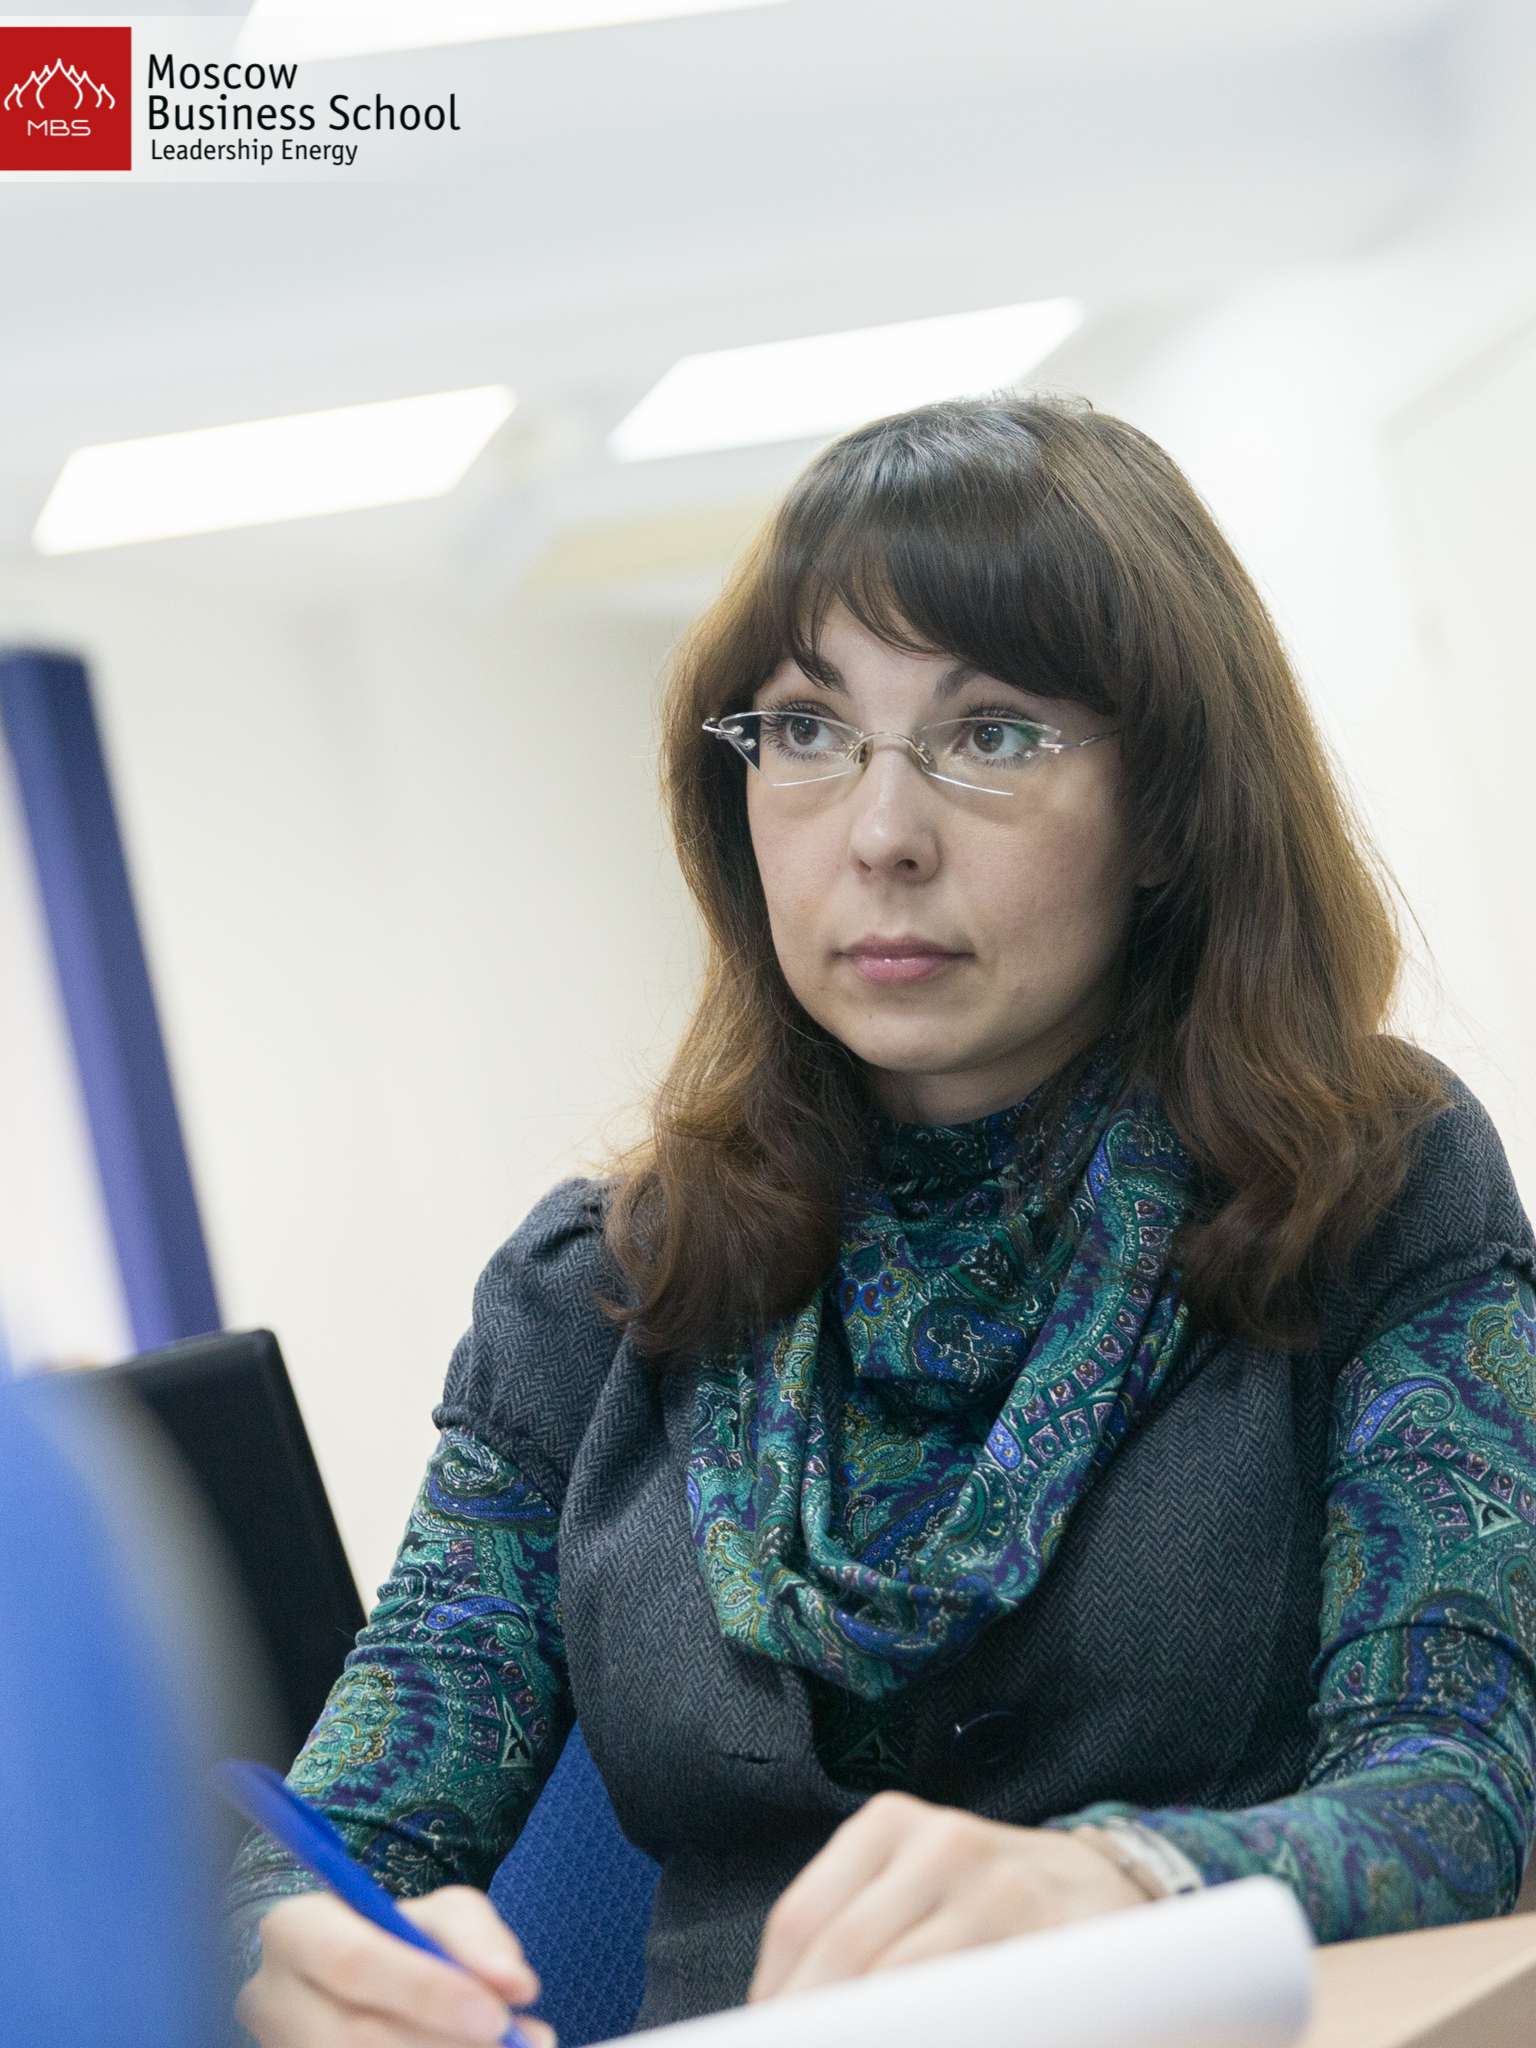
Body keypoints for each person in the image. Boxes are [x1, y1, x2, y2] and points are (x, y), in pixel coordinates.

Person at [226, 391, 1536, 2046]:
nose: (882, 834)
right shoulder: (597, 1292)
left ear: (1169, 810)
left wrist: (1125, 1886)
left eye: (995, 735)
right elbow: (334, 1848)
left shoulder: (1371, 1180)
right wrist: (297, 1962)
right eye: (805, 729)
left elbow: (1454, 1790)